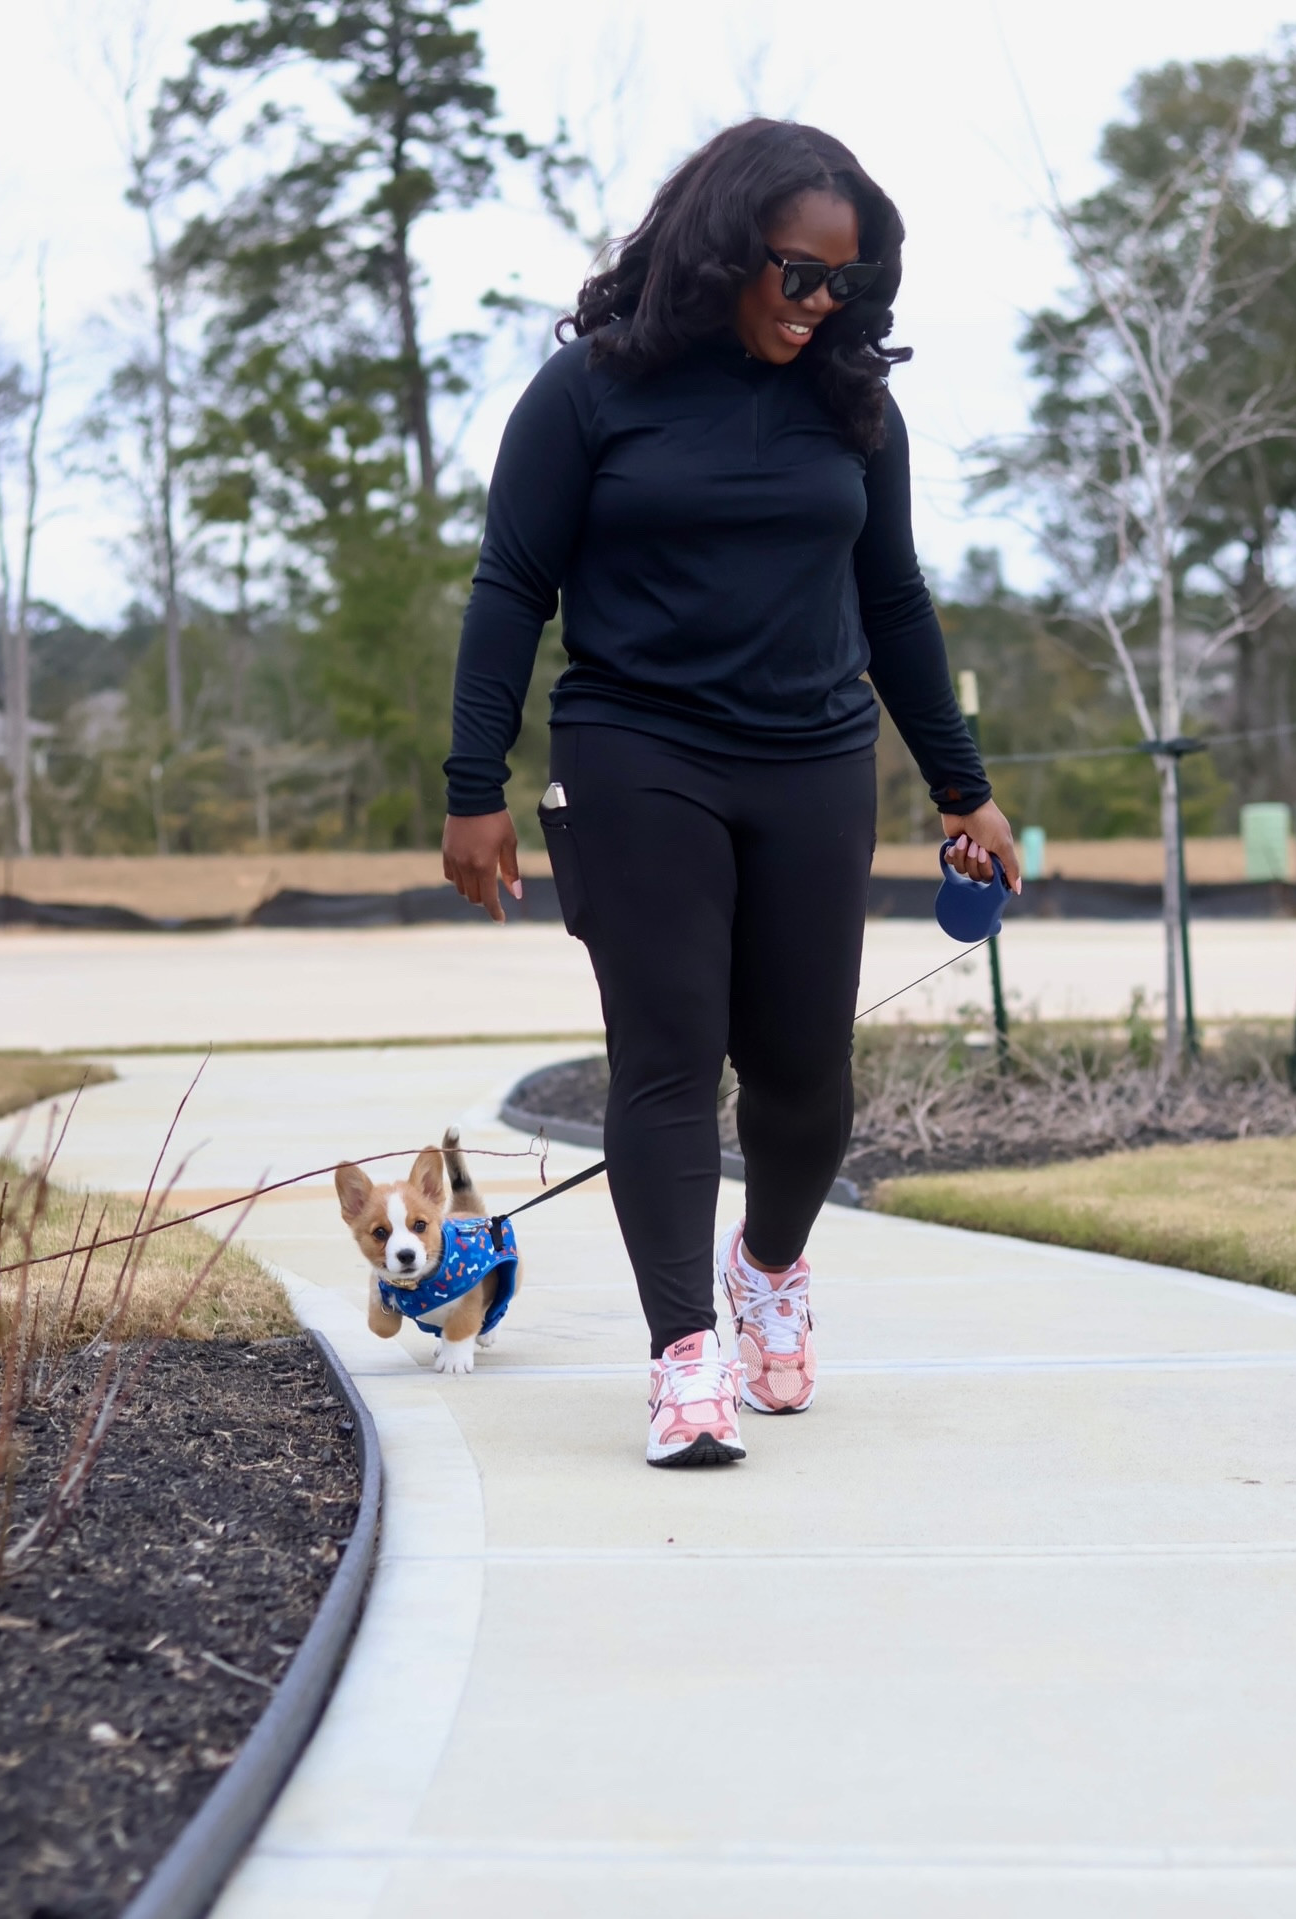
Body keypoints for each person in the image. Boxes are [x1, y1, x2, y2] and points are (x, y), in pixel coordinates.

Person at [442, 118, 1020, 1469]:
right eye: (799, 273)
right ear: (721, 251)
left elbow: (894, 601)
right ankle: (682, 1356)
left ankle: (767, 1266)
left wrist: (963, 787)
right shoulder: (587, 392)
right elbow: (511, 589)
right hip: (638, 751)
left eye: (846, 282)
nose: (819, 304)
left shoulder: (855, 405)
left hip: (814, 758)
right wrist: (475, 787)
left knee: (806, 1074)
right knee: (667, 1055)